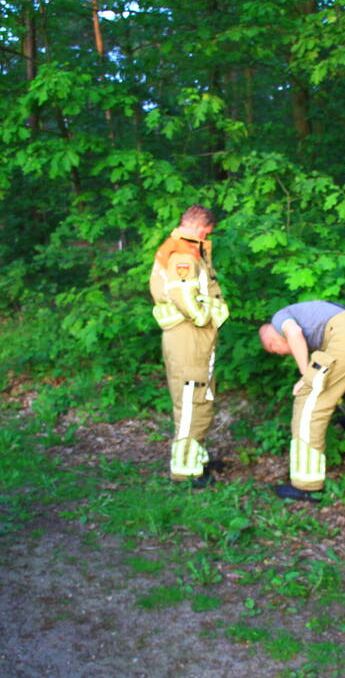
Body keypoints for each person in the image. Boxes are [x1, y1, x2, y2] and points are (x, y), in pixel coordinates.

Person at [259, 300, 345, 501]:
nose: (280, 354)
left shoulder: (279, 318)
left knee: (309, 403)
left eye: (274, 350)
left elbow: (295, 333)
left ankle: (306, 484)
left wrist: (305, 374)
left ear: (271, 340)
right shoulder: (319, 314)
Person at [149, 205, 230, 486]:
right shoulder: (183, 252)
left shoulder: (188, 248)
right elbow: (183, 294)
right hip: (189, 333)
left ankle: (197, 459)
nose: (210, 236)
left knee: (201, 396)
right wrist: (203, 318)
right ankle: (184, 470)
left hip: (193, 335)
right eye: (209, 231)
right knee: (191, 397)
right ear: (199, 227)